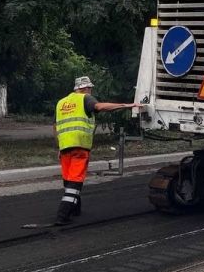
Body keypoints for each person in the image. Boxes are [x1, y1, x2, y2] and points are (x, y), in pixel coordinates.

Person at [54, 76, 140, 224]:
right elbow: (100, 107)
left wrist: (59, 147)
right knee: (75, 182)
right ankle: (62, 216)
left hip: (64, 147)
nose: (91, 90)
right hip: (80, 146)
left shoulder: (61, 103)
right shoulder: (85, 98)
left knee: (68, 180)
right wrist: (127, 105)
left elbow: (55, 127)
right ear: (85, 88)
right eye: (90, 88)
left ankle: (75, 209)